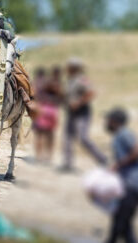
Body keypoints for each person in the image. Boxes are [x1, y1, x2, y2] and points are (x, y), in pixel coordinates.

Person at [61, 58, 107, 171]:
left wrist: (78, 103)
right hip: (71, 113)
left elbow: (91, 93)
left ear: (74, 68)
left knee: (83, 138)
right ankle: (68, 164)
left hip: (82, 113)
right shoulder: (70, 80)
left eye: (70, 67)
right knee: (67, 137)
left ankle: (102, 159)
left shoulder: (82, 79)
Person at [105, 108, 138, 243]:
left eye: (108, 120)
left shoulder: (124, 133)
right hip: (127, 184)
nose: (106, 123)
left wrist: (119, 165)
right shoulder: (119, 135)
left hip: (132, 184)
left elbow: (136, 151)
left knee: (120, 220)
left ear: (115, 121)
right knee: (124, 222)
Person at [33, 66, 63, 163]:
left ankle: (42, 156)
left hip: (45, 109)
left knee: (42, 134)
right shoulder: (55, 84)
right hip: (50, 110)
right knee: (47, 134)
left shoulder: (46, 84)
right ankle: (45, 156)